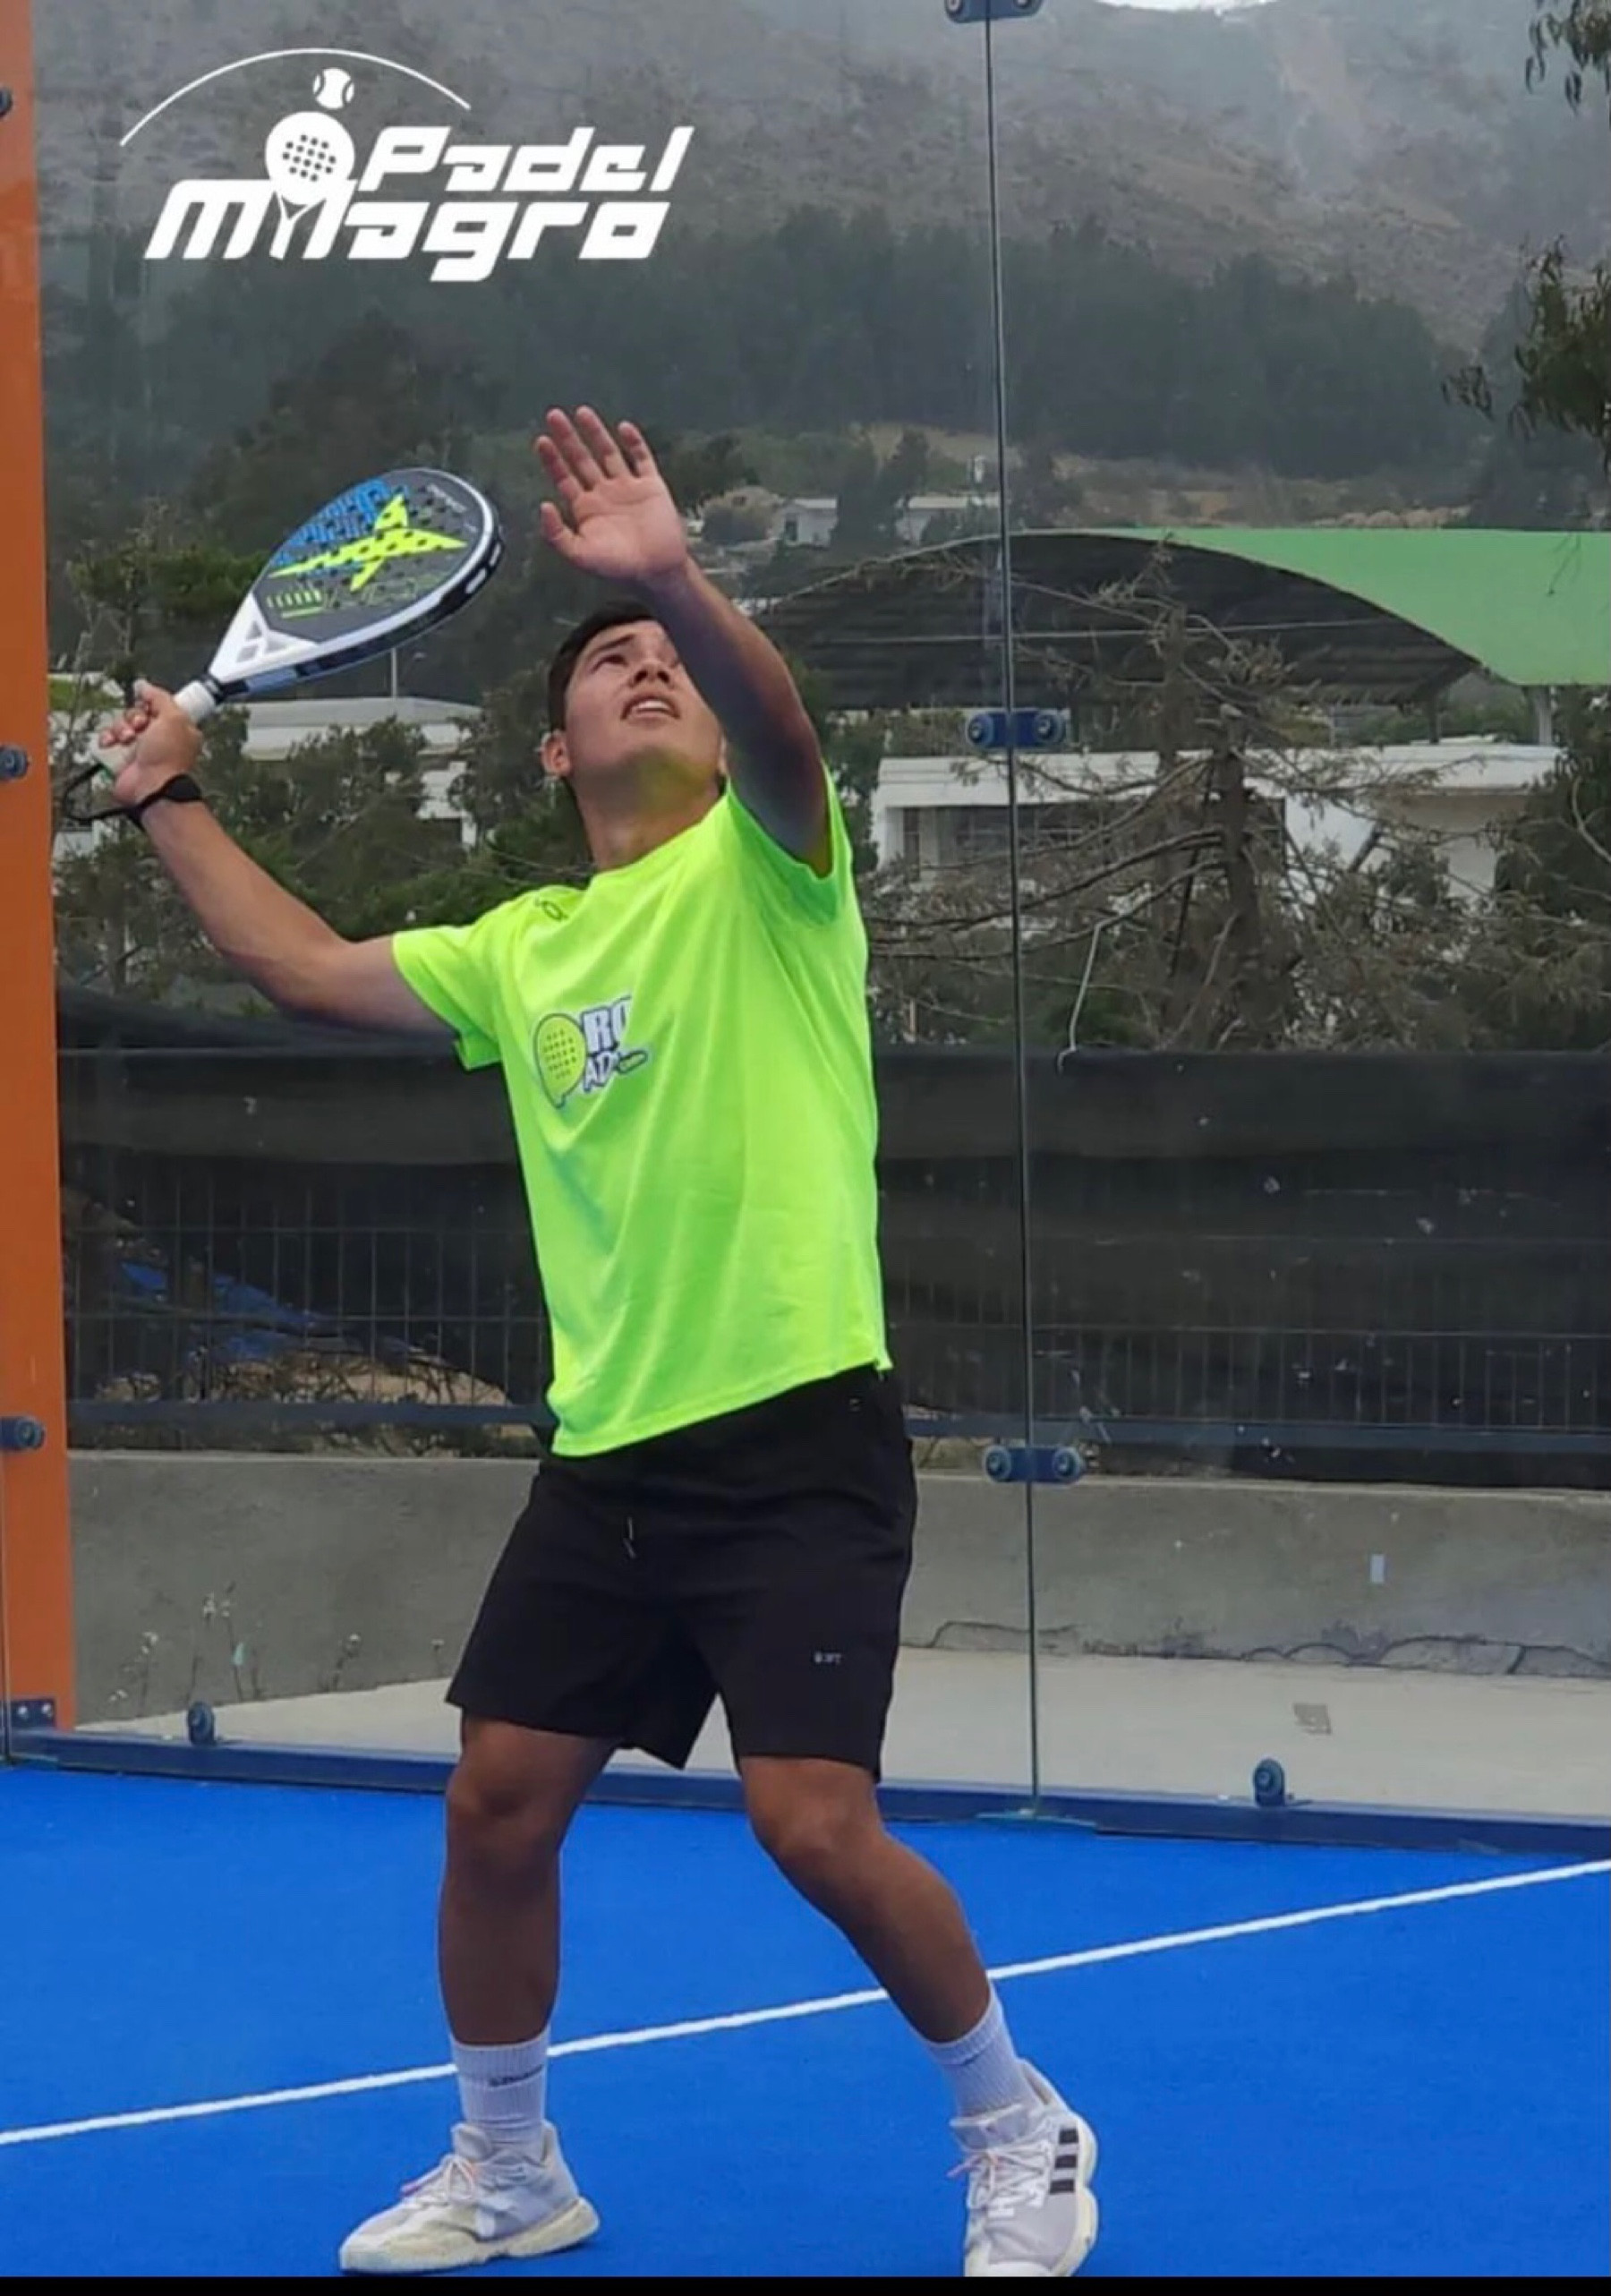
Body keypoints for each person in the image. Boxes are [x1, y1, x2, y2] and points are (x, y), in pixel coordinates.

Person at [99, 408, 1098, 2280]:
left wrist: (672, 575)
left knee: (812, 1825)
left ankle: (1014, 2119)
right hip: (610, 1457)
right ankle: (509, 2166)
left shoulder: (778, 875)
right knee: (493, 1808)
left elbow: (782, 724)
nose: (650, 668)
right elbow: (299, 968)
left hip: (800, 1432)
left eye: (671, 661)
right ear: (555, 750)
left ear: (713, 730)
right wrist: (169, 797)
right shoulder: (527, 948)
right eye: (611, 662)